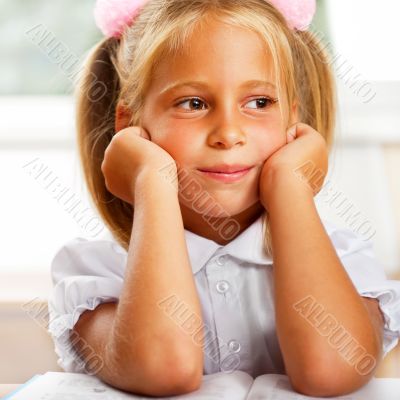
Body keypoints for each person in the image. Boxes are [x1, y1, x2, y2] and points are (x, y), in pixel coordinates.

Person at [47, 0, 400, 397]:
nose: (229, 134)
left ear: (293, 124)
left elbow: (332, 372)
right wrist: (152, 181)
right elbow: (163, 369)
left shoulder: (345, 259)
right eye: (193, 104)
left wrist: (290, 187)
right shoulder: (97, 272)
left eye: (259, 103)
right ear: (131, 127)